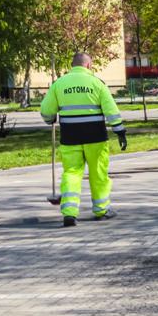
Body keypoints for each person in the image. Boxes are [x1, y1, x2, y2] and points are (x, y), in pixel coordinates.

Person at [39, 52, 127, 227]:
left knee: (71, 173)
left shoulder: (59, 84)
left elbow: (46, 109)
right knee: (98, 173)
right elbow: (111, 109)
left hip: (70, 136)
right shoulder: (97, 83)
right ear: (88, 65)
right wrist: (119, 131)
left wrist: (50, 119)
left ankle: (69, 213)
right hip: (95, 137)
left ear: (73, 65)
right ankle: (101, 210)